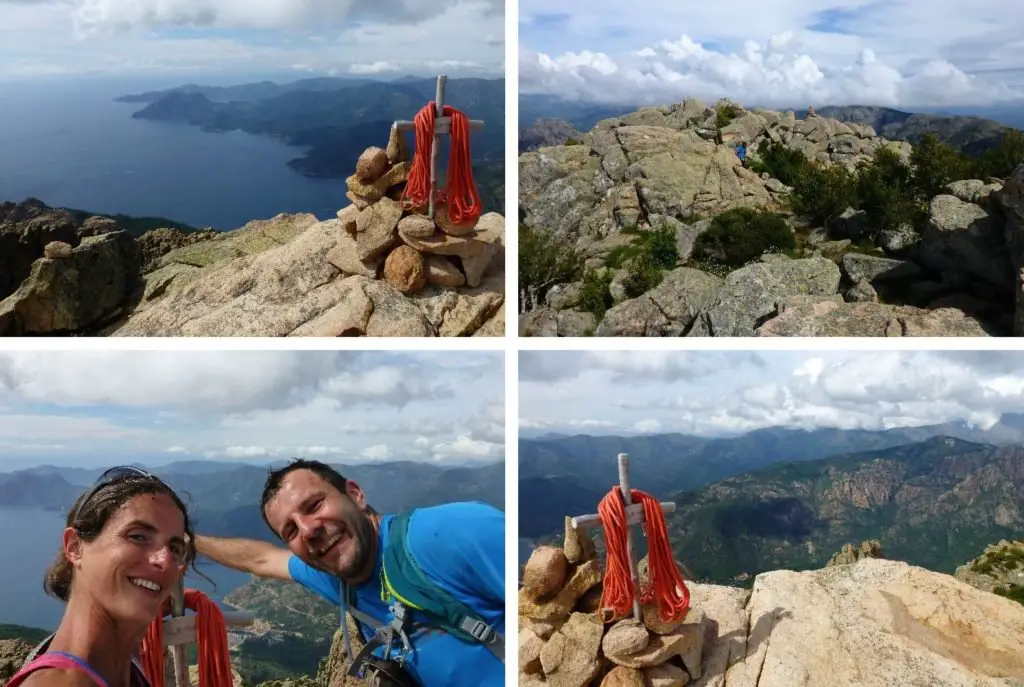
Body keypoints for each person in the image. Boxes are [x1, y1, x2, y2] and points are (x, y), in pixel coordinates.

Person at [194, 459, 504, 687]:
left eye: (314, 505)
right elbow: (260, 560)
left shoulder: (450, 533)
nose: (309, 529)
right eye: (290, 530)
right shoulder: (335, 575)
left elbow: (548, 598)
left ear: (355, 494)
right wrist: (188, 540)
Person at [8, 467, 198, 687]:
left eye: (175, 549)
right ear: (75, 546)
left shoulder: (121, 667)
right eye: (138, 536)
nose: (164, 561)